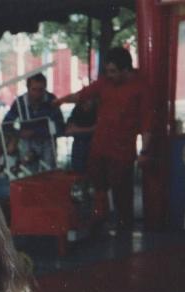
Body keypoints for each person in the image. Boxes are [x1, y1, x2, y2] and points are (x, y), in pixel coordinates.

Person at [55, 48, 150, 233]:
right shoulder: (105, 83)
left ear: (126, 70)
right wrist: (59, 101)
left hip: (122, 151)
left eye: (113, 71)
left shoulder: (141, 89)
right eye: (107, 71)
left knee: (122, 193)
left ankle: (124, 231)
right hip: (99, 147)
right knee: (96, 189)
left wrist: (144, 151)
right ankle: (98, 223)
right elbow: (82, 95)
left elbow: (147, 124)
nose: (109, 75)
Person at [2, 73, 65, 171]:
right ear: (28, 88)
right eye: (34, 89)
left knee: (49, 174)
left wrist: (35, 132)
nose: (37, 94)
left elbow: (60, 127)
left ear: (45, 88)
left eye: (41, 90)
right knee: (28, 174)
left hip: (48, 143)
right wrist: (18, 134)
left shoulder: (52, 100)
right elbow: (5, 125)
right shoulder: (20, 102)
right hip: (27, 144)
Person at [65, 97, 97, 174]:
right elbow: (68, 130)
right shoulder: (77, 109)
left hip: (94, 145)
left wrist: (78, 130)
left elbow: (99, 128)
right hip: (79, 146)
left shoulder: (98, 110)